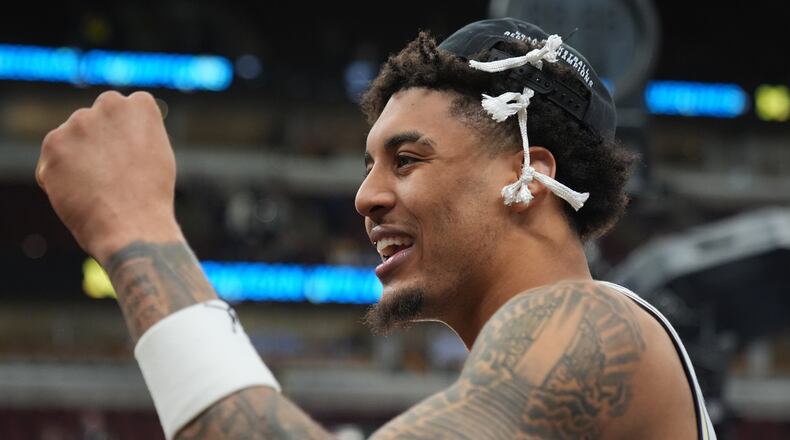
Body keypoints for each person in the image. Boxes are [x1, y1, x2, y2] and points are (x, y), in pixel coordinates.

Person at [35, 17, 716, 440]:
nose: (365, 197)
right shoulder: (525, 374)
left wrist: (136, 226)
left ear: (529, 176)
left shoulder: (590, 323)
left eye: (407, 159)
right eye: (369, 165)